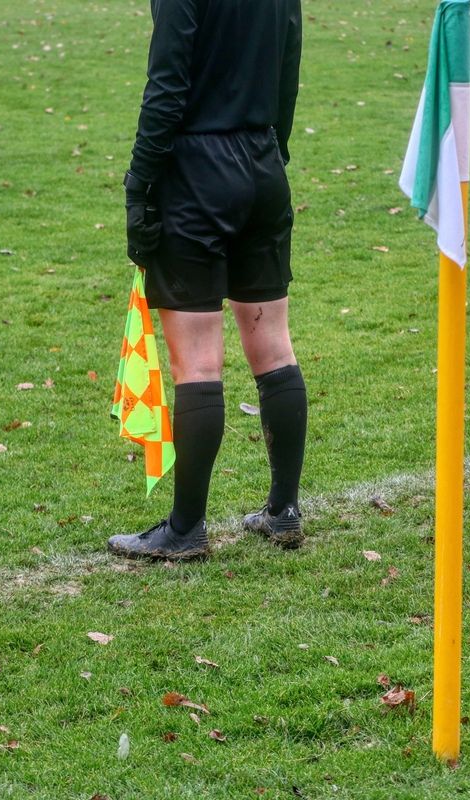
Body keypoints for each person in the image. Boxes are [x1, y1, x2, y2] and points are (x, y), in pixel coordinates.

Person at [106, 0, 307, 561]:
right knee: (273, 348)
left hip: (196, 172)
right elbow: (289, 64)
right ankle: (283, 511)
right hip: (263, 163)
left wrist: (139, 184)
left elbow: (167, 85)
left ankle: (186, 528)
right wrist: (273, 148)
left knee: (196, 362)